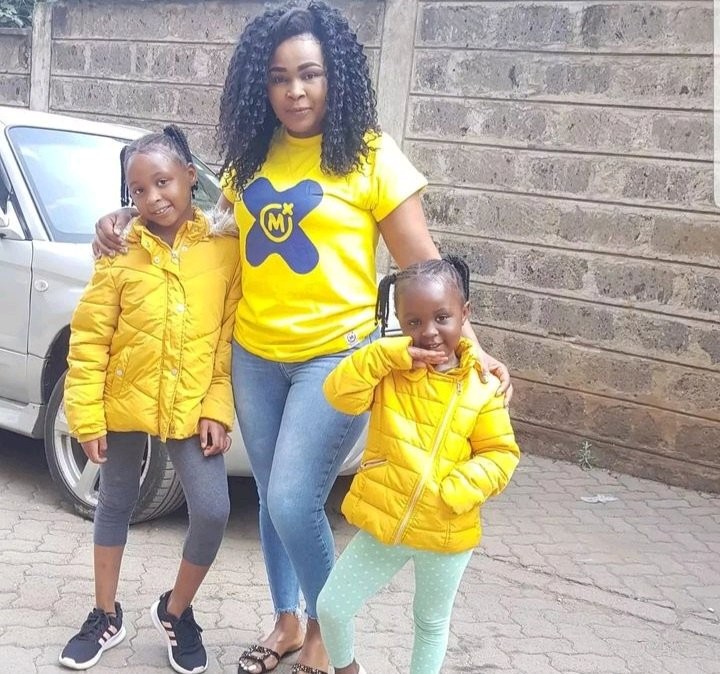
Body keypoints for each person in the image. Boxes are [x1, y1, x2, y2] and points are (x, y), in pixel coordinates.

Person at [91, 4, 512, 673]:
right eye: (279, 77)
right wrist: (125, 216)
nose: (294, 91)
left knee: (293, 497)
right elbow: (205, 226)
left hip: (335, 357)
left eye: (309, 74)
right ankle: (286, 620)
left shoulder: (370, 155)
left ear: (333, 76)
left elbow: (424, 263)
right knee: (269, 496)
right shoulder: (251, 157)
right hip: (255, 356)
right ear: (260, 86)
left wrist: (473, 345)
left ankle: (324, 630)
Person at [60, 126, 241, 674]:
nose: (152, 197)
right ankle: (104, 614)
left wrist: (217, 407)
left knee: (213, 509)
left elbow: (225, 340)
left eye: (163, 182)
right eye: (138, 190)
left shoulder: (224, 249)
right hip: (123, 398)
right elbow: (90, 338)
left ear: (189, 176)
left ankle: (175, 611)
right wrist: (85, 415)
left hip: (191, 402)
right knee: (115, 500)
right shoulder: (118, 250)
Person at [317, 258, 520, 674]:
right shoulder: (390, 373)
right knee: (332, 607)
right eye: (414, 321)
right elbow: (339, 393)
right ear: (399, 322)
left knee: (429, 623)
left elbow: (501, 454)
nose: (429, 331)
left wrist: (454, 490)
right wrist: (384, 354)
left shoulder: (482, 387)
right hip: (386, 524)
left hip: (446, 530)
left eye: (442, 317)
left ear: (465, 313)